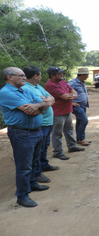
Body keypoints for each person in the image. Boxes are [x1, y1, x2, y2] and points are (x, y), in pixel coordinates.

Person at [0, 67, 50, 207]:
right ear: (10, 77)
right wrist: (40, 107)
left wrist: (39, 105)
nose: (24, 78)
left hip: (36, 131)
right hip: (22, 133)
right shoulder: (6, 93)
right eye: (21, 75)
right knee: (24, 166)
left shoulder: (25, 90)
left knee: (34, 161)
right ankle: (22, 196)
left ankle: (33, 184)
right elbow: (31, 112)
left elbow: (45, 104)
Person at [23, 66, 60, 184]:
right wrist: (45, 102)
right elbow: (38, 104)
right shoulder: (26, 88)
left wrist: (46, 101)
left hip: (47, 122)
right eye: (40, 75)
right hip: (41, 123)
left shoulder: (37, 86)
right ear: (35, 76)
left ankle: (44, 165)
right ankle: (37, 173)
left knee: (45, 146)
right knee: (39, 149)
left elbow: (51, 99)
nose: (41, 77)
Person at [45, 66, 85, 160]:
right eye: (59, 73)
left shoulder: (61, 81)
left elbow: (71, 90)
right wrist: (72, 95)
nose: (62, 75)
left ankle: (72, 146)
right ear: (53, 76)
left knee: (69, 130)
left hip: (67, 110)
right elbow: (65, 97)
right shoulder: (51, 85)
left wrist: (73, 94)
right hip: (57, 113)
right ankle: (57, 152)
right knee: (57, 133)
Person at [68, 68, 91, 146]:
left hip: (83, 106)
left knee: (80, 121)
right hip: (77, 106)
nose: (88, 76)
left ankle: (79, 139)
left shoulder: (82, 82)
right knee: (84, 121)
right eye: (87, 74)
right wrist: (71, 103)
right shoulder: (73, 82)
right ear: (82, 74)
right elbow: (63, 91)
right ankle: (81, 139)